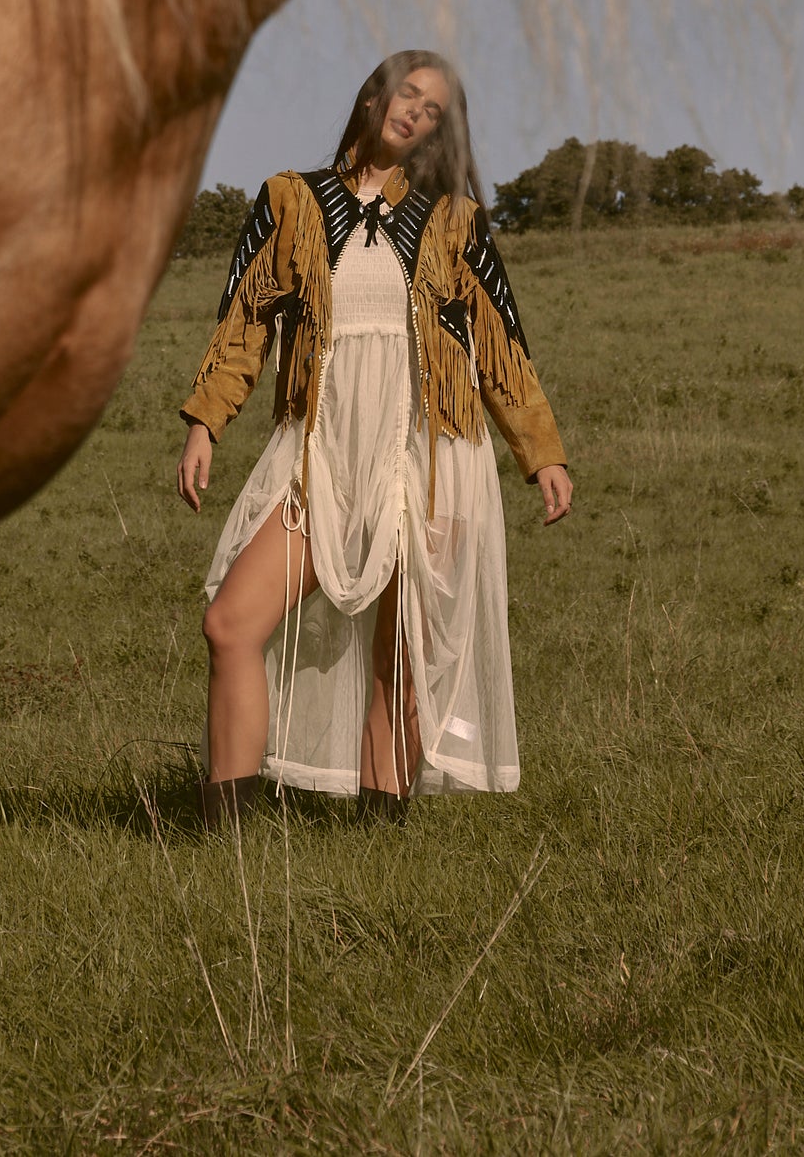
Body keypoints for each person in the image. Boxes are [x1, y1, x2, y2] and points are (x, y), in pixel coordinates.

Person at [176, 51, 572, 823]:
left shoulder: (453, 221)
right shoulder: (287, 200)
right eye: (408, 94)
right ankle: (223, 836)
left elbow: (498, 344)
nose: (415, 112)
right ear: (372, 93)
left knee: (403, 658)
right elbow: (244, 324)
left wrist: (541, 453)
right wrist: (204, 424)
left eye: (432, 110)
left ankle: (379, 835)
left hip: (431, 454)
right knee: (229, 624)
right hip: (321, 454)